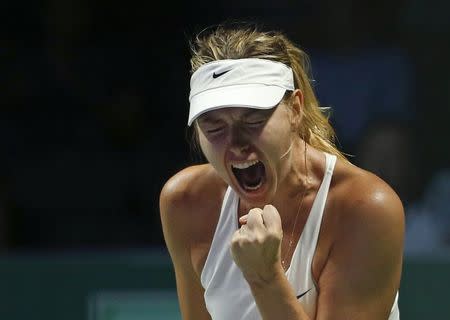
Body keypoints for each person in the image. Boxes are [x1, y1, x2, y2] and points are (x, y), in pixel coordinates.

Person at [159, 22, 404, 320]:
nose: (236, 144)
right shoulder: (184, 201)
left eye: (253, 121)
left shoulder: (366, 208)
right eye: (214, 127)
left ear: (296, 110)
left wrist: (264, 277)